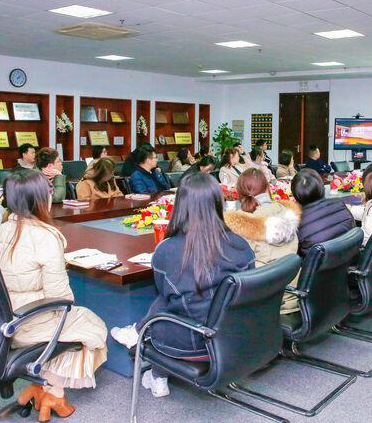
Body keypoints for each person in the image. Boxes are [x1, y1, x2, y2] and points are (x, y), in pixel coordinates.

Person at [109, 172, 254, 398]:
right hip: (235, 336)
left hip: (190, 343)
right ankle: (150, 358)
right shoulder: (241, 245)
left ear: (180, 205)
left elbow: (164, 294)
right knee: (175, 303)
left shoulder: (167, 250)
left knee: (166, 306)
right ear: (218, 203)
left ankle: (152, 362)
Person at [0, 169, 107, 419]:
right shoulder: (46, 236)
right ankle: (54, 392)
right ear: (41, 199)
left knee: (73, 324)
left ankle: (41, 388)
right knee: (92, 326)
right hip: (30, 323)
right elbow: (60, 298)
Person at [223, 168, 301, 313]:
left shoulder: (242, 226)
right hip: (293, 296)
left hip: (263, 305)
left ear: (239, 194)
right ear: (268, 189)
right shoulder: (288, 216)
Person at [292, 168, 355, 257]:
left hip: (319, 265)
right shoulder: (339, 205)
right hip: (349, 261)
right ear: (321, 186)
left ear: (295, 195)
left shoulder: (297, 224)